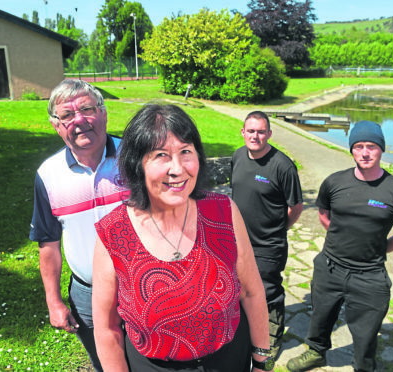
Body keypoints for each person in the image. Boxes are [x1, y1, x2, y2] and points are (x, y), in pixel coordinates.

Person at [92, 104, 275, 372]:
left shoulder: (223, 212)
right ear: (137, 164)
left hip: (229, 360)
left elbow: (252, 292)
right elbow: (108, 330)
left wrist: (261, 360)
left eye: (186, 152)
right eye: (161, 155)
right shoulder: (114, 233)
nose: (177, 169)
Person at [287, 120, 393, 372]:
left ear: (381, 149)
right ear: (352, 150)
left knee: (366, 330)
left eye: (371, 146)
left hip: (369, 274)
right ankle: (316, 352)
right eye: (358, 146)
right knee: (321, 316)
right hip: (330, 267)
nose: (365, 152)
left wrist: (374, 250)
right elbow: (324, 215)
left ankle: (362, 367)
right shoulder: (335, 182)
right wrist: (341, 239)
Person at [29, 79, 129, 372]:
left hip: (143, 286)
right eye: (68, 115)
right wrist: (53, 301)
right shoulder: (48, 175)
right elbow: (48, 244)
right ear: (56, 125)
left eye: (87, 109)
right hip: (87, 293)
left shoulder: (135, 156)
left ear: (104, 112)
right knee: (105, 365)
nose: (80, 120)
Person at [231, 111, 304, 357]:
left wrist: (280, 228)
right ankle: (246, 328)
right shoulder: (238, 156)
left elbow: (296, 207)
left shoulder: (283, 166)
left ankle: (272, 337)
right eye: (250, 131)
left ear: (269, 134)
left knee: (268, 292)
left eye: (261, 131)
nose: (255, 136)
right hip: (239, 240)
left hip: (268, 245)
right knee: (241, 287)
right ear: (243, 132)